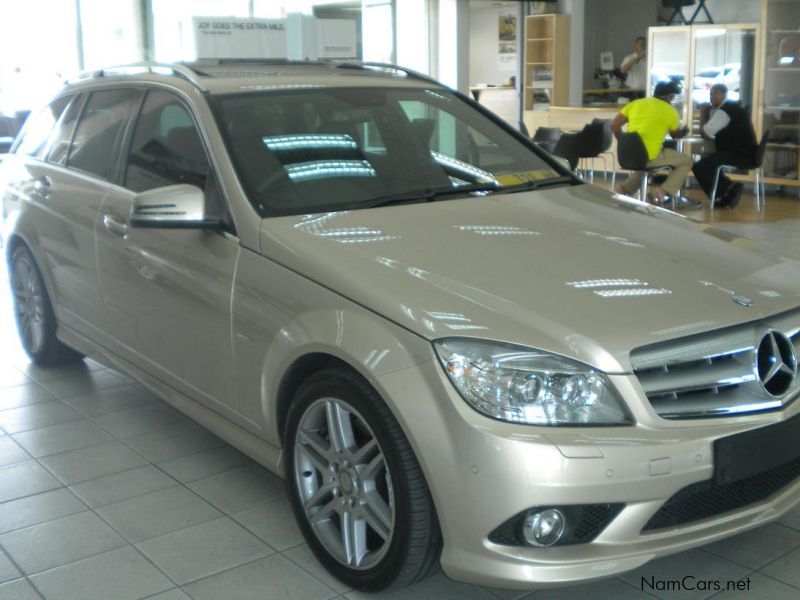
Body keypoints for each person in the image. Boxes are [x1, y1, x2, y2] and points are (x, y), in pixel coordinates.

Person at [611, 80, 692, 204]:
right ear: (670, 96)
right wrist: (683, 132)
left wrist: (624, 142)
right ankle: (662, 192)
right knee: (687, 161)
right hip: (649, 156)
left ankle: (623, 189)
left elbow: (614, 125)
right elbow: (674, 135)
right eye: (673, 96)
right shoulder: (670, 111)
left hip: (626, 155)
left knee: (647, 166)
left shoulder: (635, 104)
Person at [692, 83, 757, 209]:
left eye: (715, 93)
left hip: (738, 154)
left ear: (724, 95)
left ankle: (723, 194)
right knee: (708, 161)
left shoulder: (724, 111)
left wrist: (703, 113)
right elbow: (710, 132)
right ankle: (729, 189)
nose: (712, 97)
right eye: (710, 94)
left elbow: (706, 133)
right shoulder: (731, 107)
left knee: (699, 167)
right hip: (748, 152)